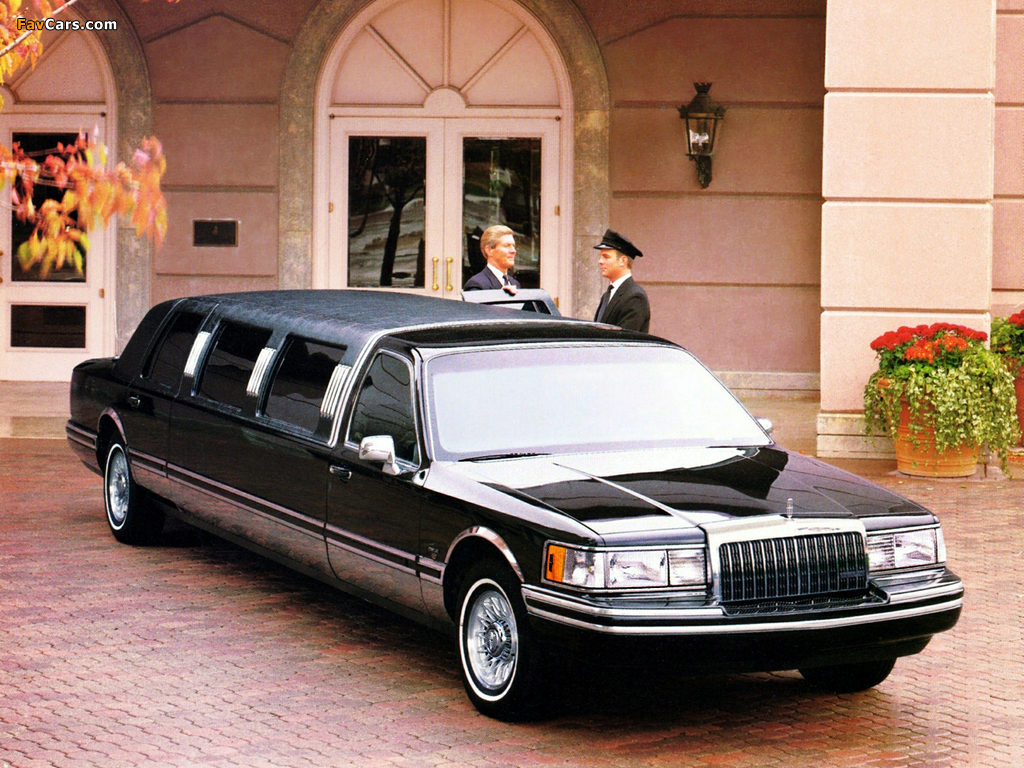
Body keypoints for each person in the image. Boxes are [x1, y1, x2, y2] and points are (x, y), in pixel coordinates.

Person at [593, 228, 650, 333]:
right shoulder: (607, 295)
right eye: (601, 257)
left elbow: (624, 339)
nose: (600, 261)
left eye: (606, 257)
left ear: (623, 261)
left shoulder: (635, 297)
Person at [463, 225, 521, 294]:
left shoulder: (515, 284)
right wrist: (501, 295)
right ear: (489, 250)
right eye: (506, 246)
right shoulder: (477, 285)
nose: (513, 251)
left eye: (513, 246)